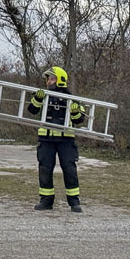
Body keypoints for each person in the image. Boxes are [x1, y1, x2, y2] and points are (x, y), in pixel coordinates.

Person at [27, 66, 85, 213]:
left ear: (60, 80)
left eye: (52, 78)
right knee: (45, 169)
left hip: (66, 140)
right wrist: (37, 99)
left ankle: (74, 202)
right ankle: (46, 201)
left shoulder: (72, 99)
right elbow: (32, 110)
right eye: (48, 79)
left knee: (70, 169)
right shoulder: (44, 95)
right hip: (46, 139)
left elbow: (79, 120)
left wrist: (75, 112)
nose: (48, 82)